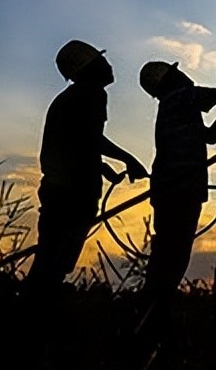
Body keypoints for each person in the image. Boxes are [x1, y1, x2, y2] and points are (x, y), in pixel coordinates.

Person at [26, 40, 148, 296]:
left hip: (59, 190)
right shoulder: (91, 93)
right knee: (56, 261)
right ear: (89, 67)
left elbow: (77, 142)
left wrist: (102, 168)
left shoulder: (71, 98)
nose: (109, 65)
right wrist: (129, 159)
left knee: (49, 258)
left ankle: (30, 311)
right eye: (101, 61)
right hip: (73, 194)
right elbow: (91, 137)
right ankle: (34, 317)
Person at [138, 61, 216, 307]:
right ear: (170, 78)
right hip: (180, 188)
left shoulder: (176, 106)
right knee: (174, 253)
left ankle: (151, 304)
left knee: (169, 251)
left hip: (173, 189)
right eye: (175, 71)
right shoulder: (181, 97)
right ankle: (154, 306)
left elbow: (210, 136)